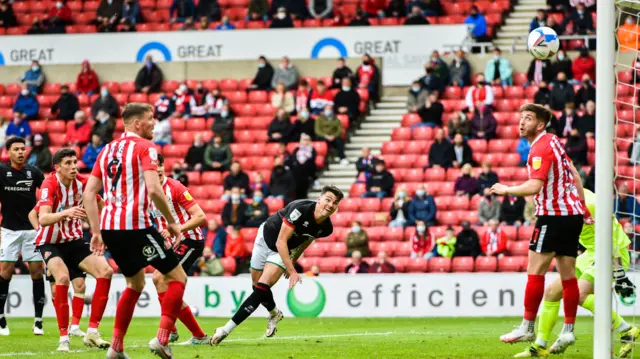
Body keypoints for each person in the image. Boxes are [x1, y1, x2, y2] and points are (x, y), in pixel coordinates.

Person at [83, 103, 188, 358]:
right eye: (151, 119)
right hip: (135, 225)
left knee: (135, 283)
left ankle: (116, 348)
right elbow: (154, 189)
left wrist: (96, 232)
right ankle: (163, 339)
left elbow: (88, 192)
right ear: (138, 124)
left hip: (109, 227)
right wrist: (173, 222)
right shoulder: (145, 147)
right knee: (178, 278)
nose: (154, 123)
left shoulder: (106, 150)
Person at [491, 103, 586, 353]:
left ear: (540, 125)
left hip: (552, 216)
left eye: (528, 118)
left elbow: (534, 187)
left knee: (535, 271)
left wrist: (505, 189)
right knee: (568, 276)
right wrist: (583, 207)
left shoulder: (539, 149)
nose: (522, 122)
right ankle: (568, 331)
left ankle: (527, 326)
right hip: (572, 215)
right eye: (521, 117)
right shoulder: (554, 141)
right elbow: (574, 173)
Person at [511, 189, 639, 358]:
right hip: (591, 252)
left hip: (611, 252)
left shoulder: (589, 204)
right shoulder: (565, 204)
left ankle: (627, 329)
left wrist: (620, 272)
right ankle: (540, 346)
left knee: (579, 294)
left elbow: (612, 236)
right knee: (551, 292)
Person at [209, 186, 343, 345]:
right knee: (256, 288)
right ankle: (274, 313)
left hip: (282, 251)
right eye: (328, 200)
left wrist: (291, 261)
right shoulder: (299, 209)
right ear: (319, 199)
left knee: (261, 288)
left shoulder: (326, 228)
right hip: (265, 238)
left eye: (335, 203)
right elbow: (281, 240)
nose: (330, 205)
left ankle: (225, 329)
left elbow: (306, 241)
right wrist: (292, 270)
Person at [35, 148, 113, 351]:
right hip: (49, 242)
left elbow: (101, 205)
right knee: (61, 278)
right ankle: (64, 339)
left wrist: (102, 222)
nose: (73, 166)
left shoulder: (83, 182)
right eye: (68, 163)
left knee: (106, 271)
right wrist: (66, 213)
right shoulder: (49, 184)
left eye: (74, 162)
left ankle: (92, 332)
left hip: (74, 240)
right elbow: (42, 219)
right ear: (57, 167)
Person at [149, 154, 208, 345]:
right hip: (169, 242)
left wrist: (176, 230)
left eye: (159, 165)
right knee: (159, 282)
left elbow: (200, 217)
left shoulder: (176, 188)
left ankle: (177, 331)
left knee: (160, 277)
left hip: (190, 240)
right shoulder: (146, 191)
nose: (157, 168)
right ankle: (180, 331)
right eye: (152, 165)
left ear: (163, 166)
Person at [0, 137, 46, 337]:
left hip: (31, 231)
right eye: (16, 149)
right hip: (9, 230)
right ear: (8, 152)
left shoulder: (33, 172)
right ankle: (1, 318)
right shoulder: (1, 172)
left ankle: (38, 321)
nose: (21, 152)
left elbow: (47, 195)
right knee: (5, 272)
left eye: (23, 149)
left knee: (37, 272)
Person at [290, 134, 317, 199]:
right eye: (304, 140)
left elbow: (312, 159)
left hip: (307, 173)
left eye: (307, 140)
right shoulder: (297, 149)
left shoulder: (312, 150)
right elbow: (293, 159)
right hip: (297, 173)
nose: (305, 142)